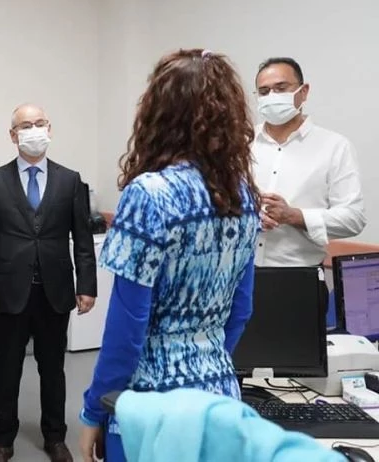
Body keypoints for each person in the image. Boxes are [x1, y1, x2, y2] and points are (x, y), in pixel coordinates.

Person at [77, 49, 261, 462]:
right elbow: (241, 309)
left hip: (151, 406)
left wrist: (94, 409)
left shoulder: (148, 195)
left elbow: (127, 331)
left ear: (158, 113)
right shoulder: (243, 196)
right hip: (219, 397)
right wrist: (205, 359)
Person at [0, 104, 97, 462]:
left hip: (54, 292)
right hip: (8, 292)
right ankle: (3, 439)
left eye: (39, 123)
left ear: (50, 129)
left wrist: (86, 284)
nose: (33, 130)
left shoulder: (70, 180)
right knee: (6, 369)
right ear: (13, 135)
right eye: (25, 125)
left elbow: (83, 239)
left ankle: (55, 437)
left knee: (53, 369)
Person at [251, 57, 365, 268]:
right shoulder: (241, 142)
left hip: (299, 273)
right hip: (238, 273)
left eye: (281, 88)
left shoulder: (335, 147)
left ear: (303, 92)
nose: (272, 96)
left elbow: (353, 219)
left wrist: (295, 216)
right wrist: (247, 213)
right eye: (264, 92)